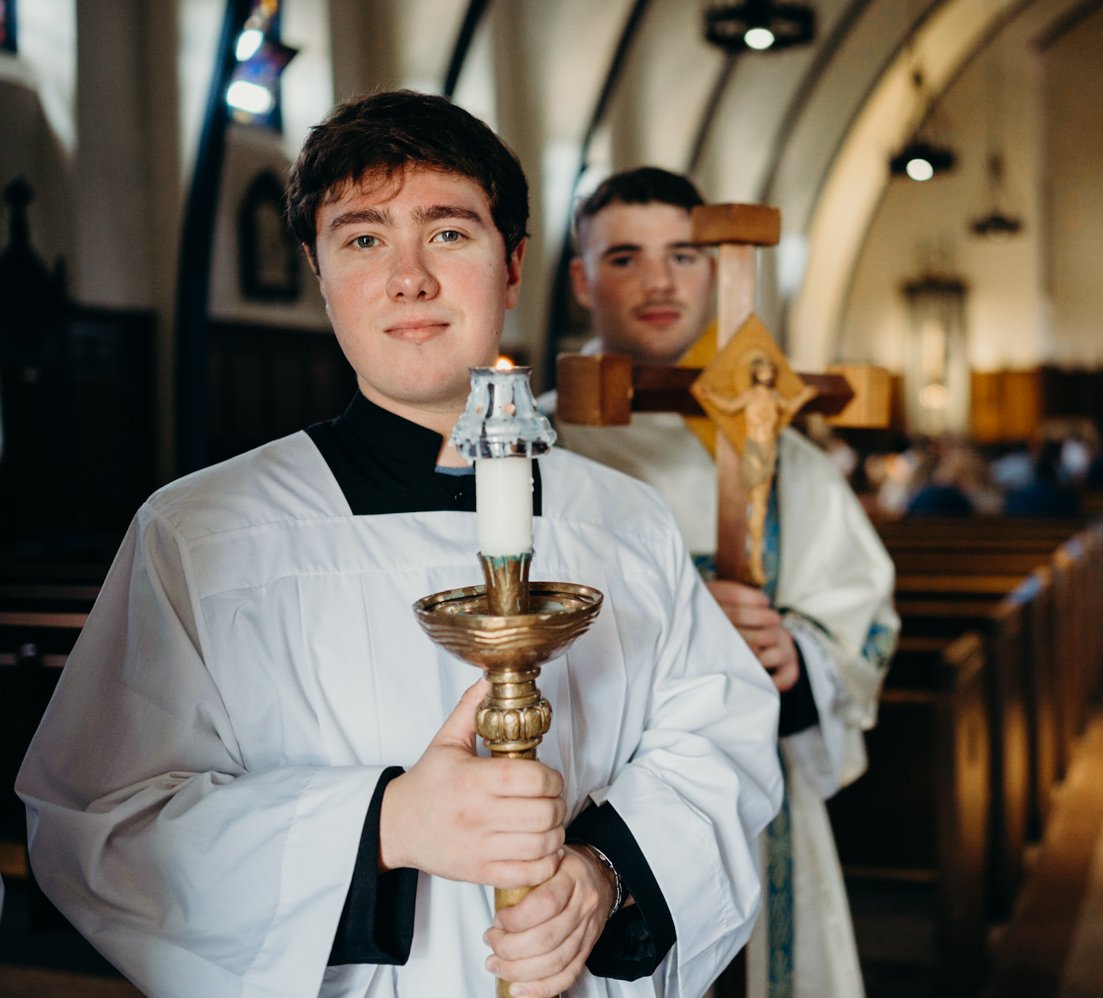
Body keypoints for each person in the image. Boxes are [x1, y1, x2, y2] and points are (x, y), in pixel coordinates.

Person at [16, 92, 781, 997]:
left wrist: (600, 877)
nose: (408, 278)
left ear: (513, 264)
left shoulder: (624, 519)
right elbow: (100, 827)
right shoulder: (202, 534)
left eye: (449, 233)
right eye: (363, 239)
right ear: (320, 272)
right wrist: (387, 825)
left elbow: (718, 743)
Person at [556, 167, 899, 998]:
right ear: (580, 279)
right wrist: (675, 621)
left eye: (685, 255)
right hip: (582, 809)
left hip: (762, 808)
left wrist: (796, 655)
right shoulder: (526, 446)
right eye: (627, 257)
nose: (662, 281)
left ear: (719, 273)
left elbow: (865, 623)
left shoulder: (786, 454)